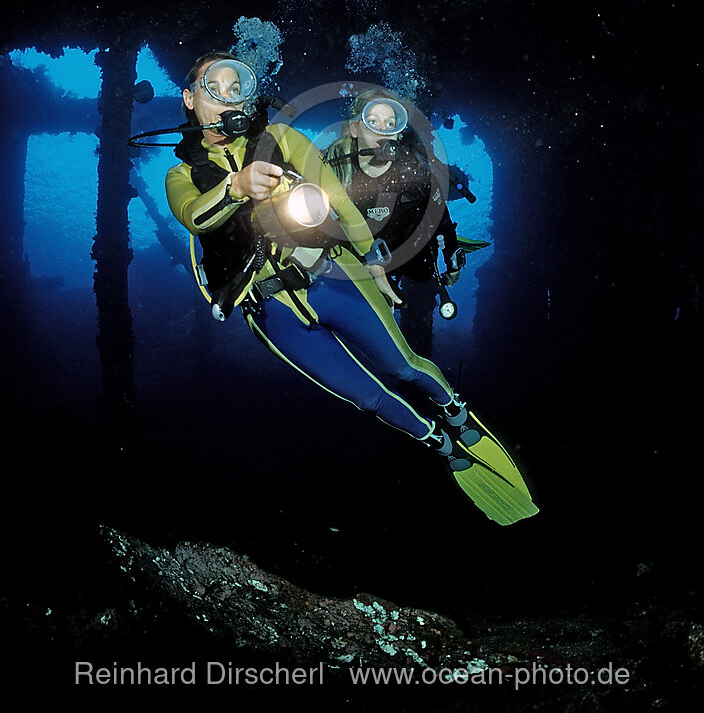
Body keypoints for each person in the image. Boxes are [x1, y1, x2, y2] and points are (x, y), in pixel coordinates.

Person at [165, 52, 538, 525]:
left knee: (403, 366)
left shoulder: (281, 137)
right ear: (189, 99)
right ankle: (437, 442)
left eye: (238, 86)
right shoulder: (180, 175)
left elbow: (337, 197)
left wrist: (374, 258)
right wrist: (237, 185)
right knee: (367, 397)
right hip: (272, 311)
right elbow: (194, 217)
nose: (229, 96)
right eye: (215, 87)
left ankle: (456, 413)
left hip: (330, 273)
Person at [323, 89, 472, 322]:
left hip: (410, 251)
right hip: (361, 259)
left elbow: (440, 215)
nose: (383, 131)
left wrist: (452, 259)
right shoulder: (335, 171)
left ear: (398, 133)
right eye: (372, 122)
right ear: (354, 129)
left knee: (422, 275)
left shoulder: (414, 172)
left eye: (391, 123)